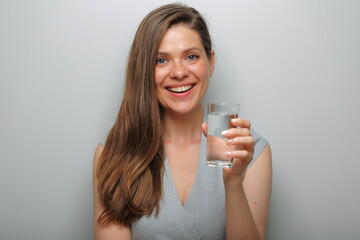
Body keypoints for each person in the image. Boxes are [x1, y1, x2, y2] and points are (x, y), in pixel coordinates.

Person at [93, 3, 272, 240]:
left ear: (211, 62)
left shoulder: (251, 152)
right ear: (144, 70)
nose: (178, 72)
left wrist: (233, 183)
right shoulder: (114, 151)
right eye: (161, 60)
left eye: (191, 57)